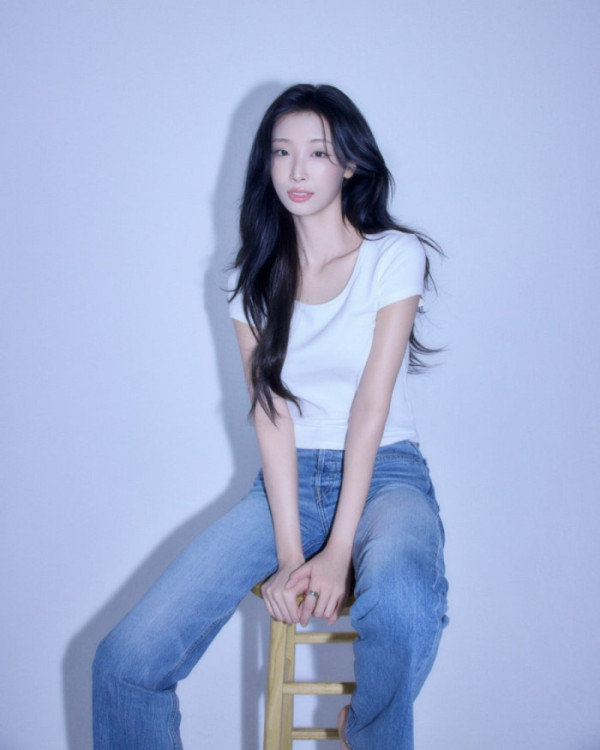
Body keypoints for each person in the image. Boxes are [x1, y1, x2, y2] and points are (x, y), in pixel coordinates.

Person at [93, 83, 449, 750]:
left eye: (317, 152)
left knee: (402, 599)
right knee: (125, 662)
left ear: (350, 164)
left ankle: (365, 728)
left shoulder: (393, 256)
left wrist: (337, 551)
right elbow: (271, 415)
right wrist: (291, 555)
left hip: (386, 474)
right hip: (285, 486)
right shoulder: (250, 279)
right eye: (282, 152)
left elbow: (370, 407)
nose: (296, 170)